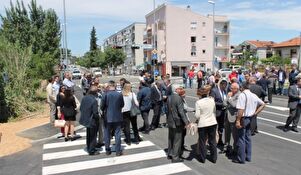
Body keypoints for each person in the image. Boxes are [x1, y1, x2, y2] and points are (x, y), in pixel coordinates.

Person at [234, 82, 265, 164]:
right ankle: (248, 156)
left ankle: (241, 158)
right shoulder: (253, 95)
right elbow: (263, 104)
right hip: (250, 118)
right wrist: (255, 113)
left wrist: (237, 120)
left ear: (242, 87)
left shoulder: (242, 95)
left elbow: (240, 110)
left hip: (243, 118)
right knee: (248, 137)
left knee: (241, 138)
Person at [167, 84, 190, 163]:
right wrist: (186, 122)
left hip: (170, 120)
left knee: (171, 139)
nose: (181, 90)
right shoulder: (178, 98)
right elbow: (181, 112)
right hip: (177, 122)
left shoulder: (169, 97)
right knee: (177, 140)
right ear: (176, 90)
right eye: (179, 89)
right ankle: (175, 157)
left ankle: (170, 153)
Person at [101, 81, 125, 156]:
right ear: (114, 86)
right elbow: (122, 105)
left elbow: (102, 106)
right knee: (117, 134)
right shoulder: (119, 94)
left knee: (107, 133)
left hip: (107, 116)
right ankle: (118, 151)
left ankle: (107, 150)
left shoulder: (105, 94)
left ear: (109, 86)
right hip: (117, 116)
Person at [195, 85, 217, 163]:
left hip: (203, 123)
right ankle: (214, 158)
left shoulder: (198, 102)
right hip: (212, 122)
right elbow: (214, 111)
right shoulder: (212, 100)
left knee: (202, 141)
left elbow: (197, 115)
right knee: (212, 140)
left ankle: (202, 158)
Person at [79, 85, 100, 155]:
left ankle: (89, 147)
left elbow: (81, 108)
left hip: (85, 119)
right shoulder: (94, 100)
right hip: (92, 120)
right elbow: (95, 113)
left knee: (88, 135)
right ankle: (92, 150)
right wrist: (98, 118)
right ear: (95, 93)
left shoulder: (84, 98)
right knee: (93, 136)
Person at [210, 79, 228, 149]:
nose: (224, 87)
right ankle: (213, 140)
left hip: (223, 112)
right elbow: (212, 101)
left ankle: (220, 140)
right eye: (223, 86)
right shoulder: (214, 91)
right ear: (220, 85)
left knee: (221, 127)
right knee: (214, 127)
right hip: (216, 112)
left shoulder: (225, 91)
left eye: (225, 86)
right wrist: (221, 104)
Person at [224, 82, 240, 156]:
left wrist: (229, 98)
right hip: (227, 115)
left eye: (232, 88)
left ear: (236, 89)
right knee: (227, 133)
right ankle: (226, 146)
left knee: (235, 134)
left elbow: (235, 105)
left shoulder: (239, 95)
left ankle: (235, 149)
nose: (230, 89)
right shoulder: (230, 93)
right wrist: (228, 99)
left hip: (233, 117)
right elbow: (224, 102)